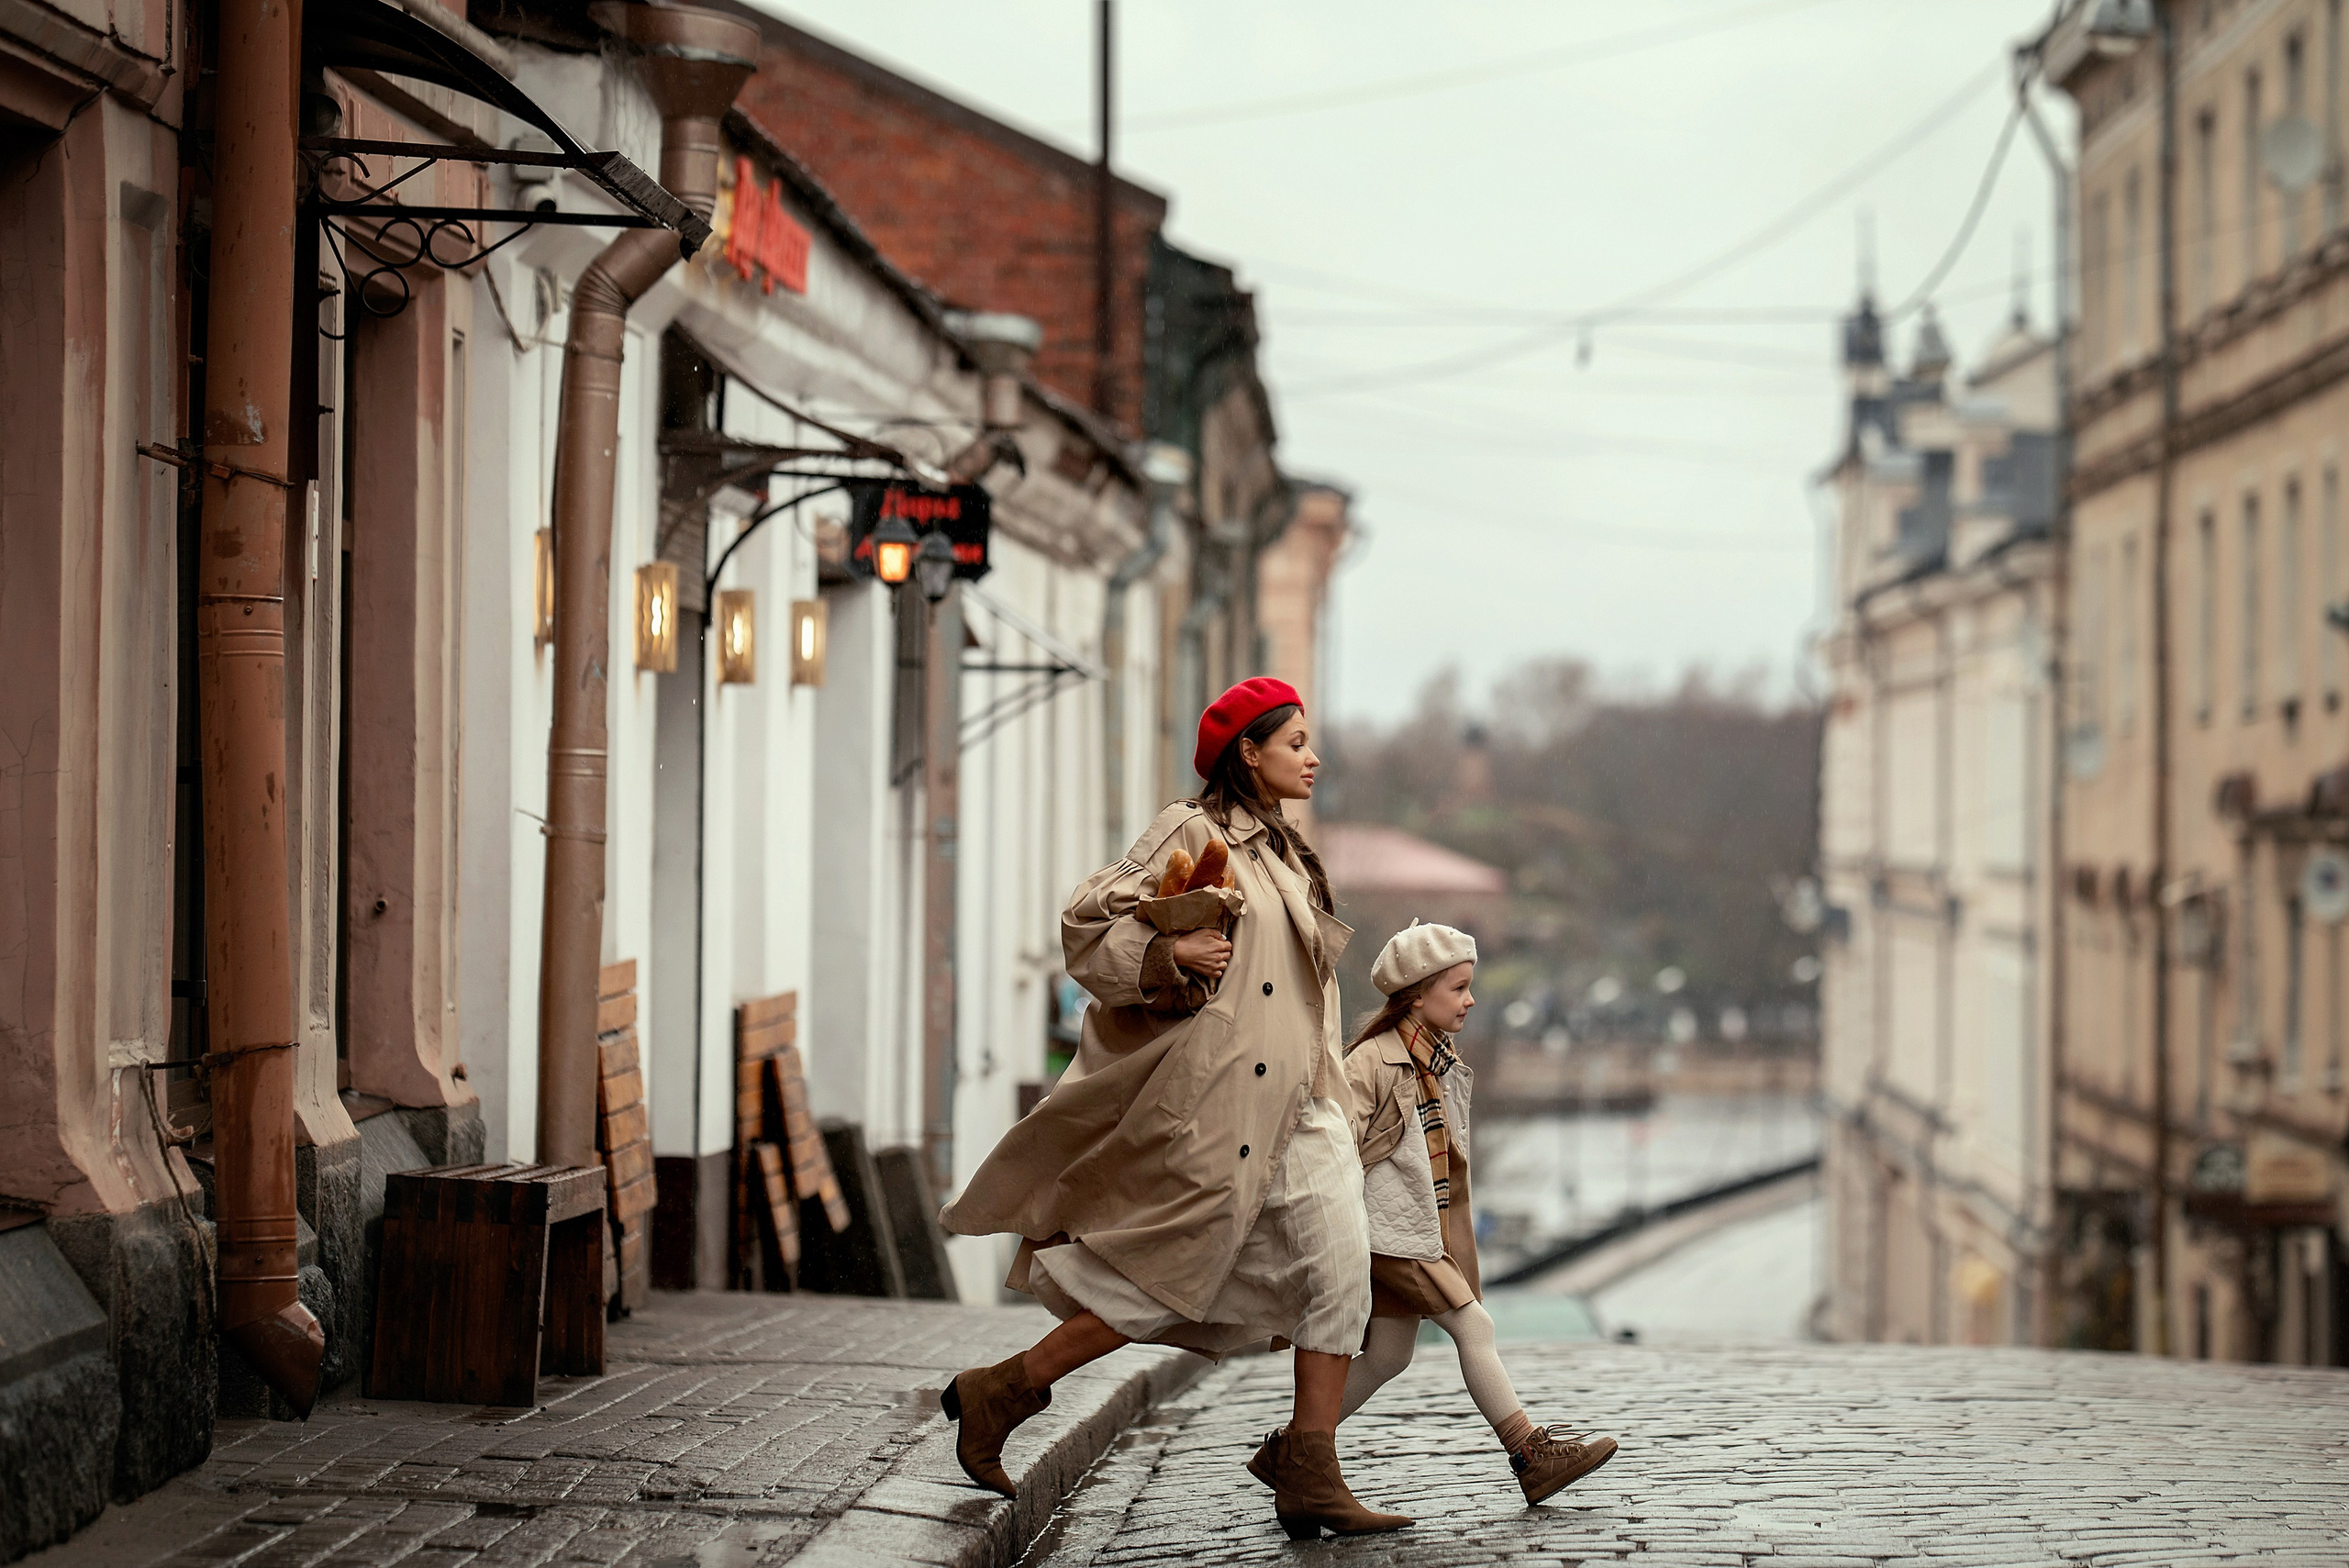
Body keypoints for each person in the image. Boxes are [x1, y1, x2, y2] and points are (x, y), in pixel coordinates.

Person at [939, 676, 1410, 1540]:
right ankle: (1001, 1391)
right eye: (1296, 743)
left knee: (1340, 1274)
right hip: (1221, 1106)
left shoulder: (1284, 850)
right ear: (1248, 751)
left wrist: (1338, 1099)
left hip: (1303, 1104)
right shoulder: (1192, 830)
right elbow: (1087, 926)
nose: (1314, 757)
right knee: (1159, 1277)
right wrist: (1168, 951)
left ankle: (1311, 1471)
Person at [1321, 921, 1620, 1504]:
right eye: (1458, 988)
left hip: (1414, 1229)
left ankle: (1294, 1450)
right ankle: (1530, 1455)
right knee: (1474, 1326)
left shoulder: (1438, 1060)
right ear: (1416, 994)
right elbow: (1333, 1151)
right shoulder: (1371, 1063)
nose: (1471, 999)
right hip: (1390, 1232)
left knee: (1388, 1355)